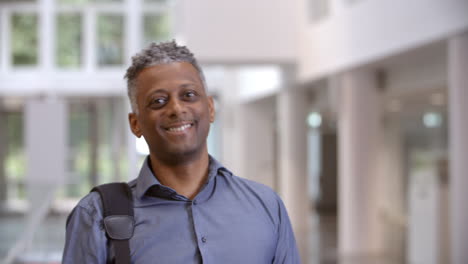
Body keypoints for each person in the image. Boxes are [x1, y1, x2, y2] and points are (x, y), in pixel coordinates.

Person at [62, 40, 300, 264]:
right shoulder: (95, 215)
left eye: (188, 95)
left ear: (209, 108)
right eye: (158, 101)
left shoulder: (266, 205)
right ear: (135, 124)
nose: (176, 108)